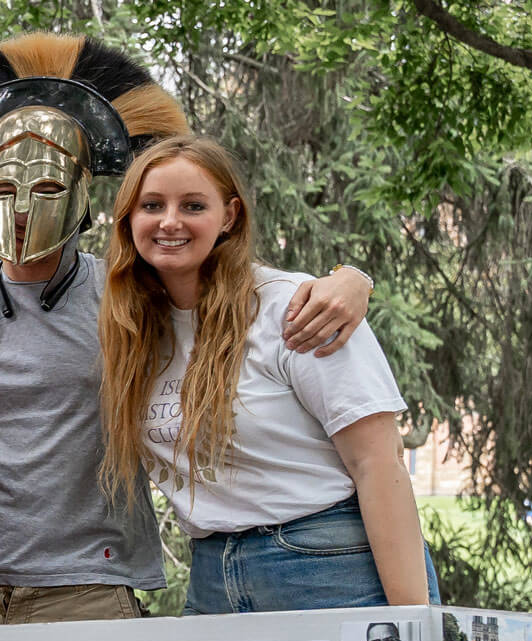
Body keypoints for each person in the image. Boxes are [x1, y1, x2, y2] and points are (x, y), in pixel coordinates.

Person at [0, 34, 376, 633]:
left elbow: (233, 288)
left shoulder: (131, 296)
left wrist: (350, 279)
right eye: (3, 190)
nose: (19, 212)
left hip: (91, 586)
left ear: (83, 194)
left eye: (45, 189)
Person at [96, 135, 435, 613]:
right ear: (128, 218)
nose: (170, 221)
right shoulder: (131, 326)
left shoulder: (294, 307)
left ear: (229, 216)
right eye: (152, 205)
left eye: (193, 205)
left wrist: (411, 622)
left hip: (327, 563)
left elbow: (379, 462)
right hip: (213, 574)